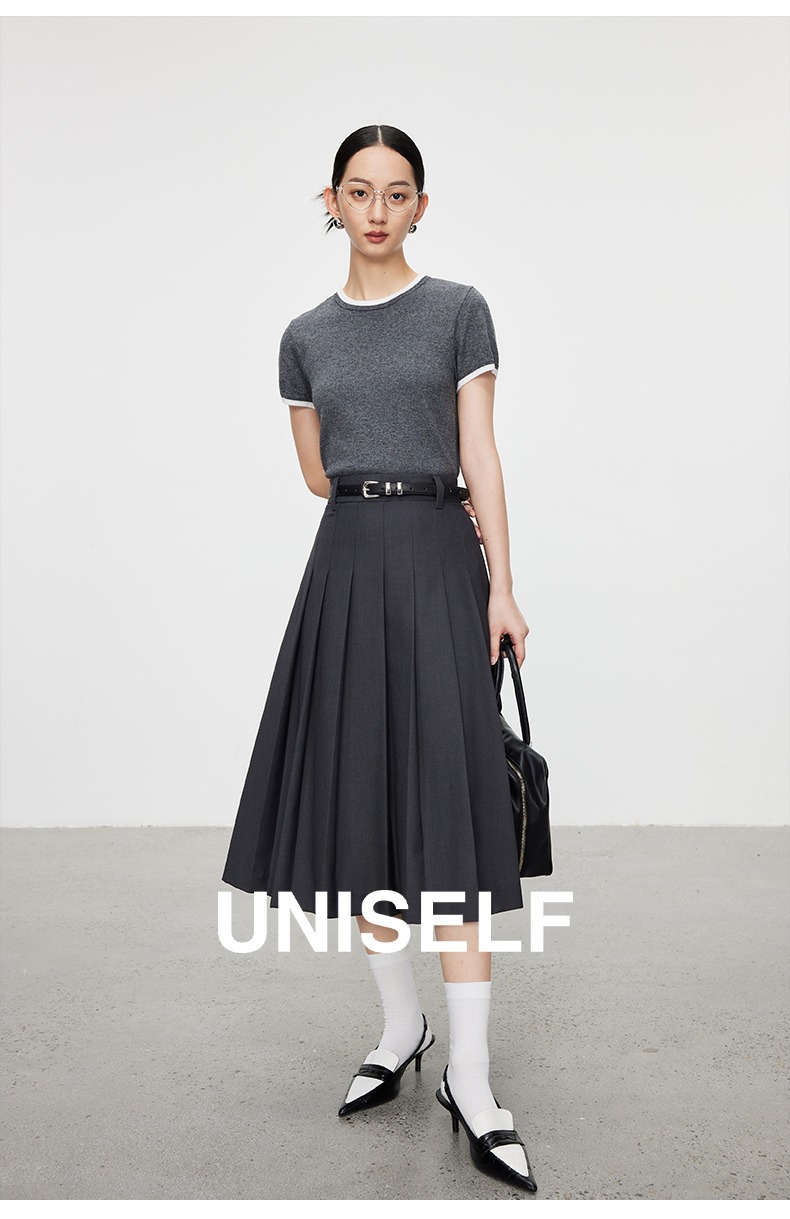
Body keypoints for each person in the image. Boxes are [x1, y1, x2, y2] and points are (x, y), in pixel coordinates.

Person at [221, 123, 537, 1194]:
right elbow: (318, 476)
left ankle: (472, 1080)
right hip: (349, 566)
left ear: (419, 207)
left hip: (440, 560)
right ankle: (402, 1028)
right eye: (358, 192)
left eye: (396, 193)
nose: (376, 210)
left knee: (449, 811)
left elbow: (480, 450)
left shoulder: (458, 310)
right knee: (363, 798)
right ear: (332, 200)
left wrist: (500, 585)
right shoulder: (303, 335)